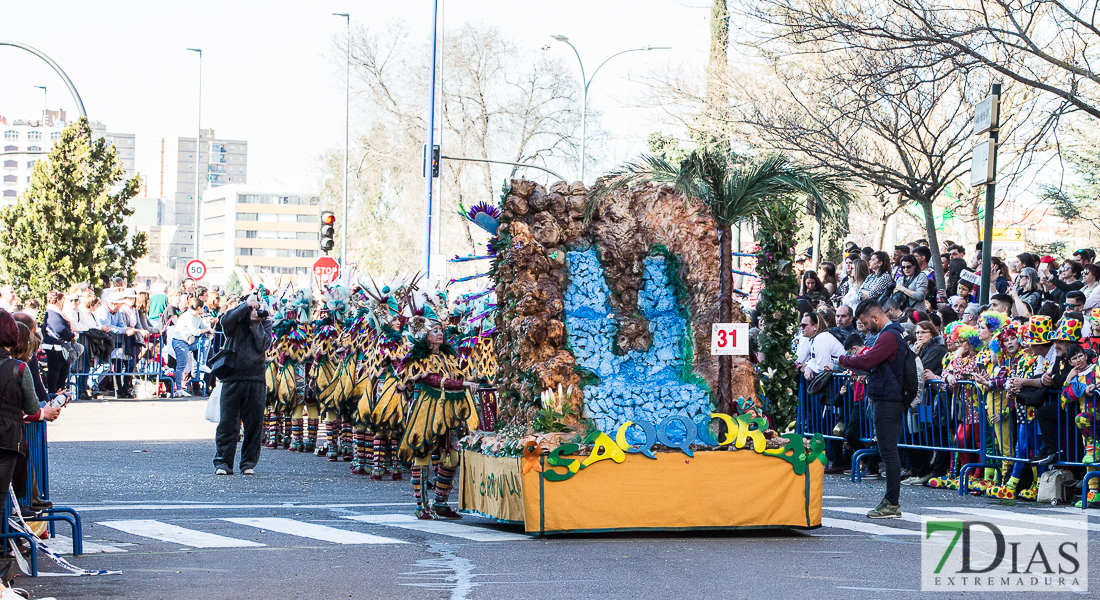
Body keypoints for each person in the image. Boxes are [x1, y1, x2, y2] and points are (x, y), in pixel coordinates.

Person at [398, 318, 482, 520]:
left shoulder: (448, 357)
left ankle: (440, 504)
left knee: (451, 457)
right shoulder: (419, 359)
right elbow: (433, 380)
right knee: (423, 455)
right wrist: (462, 385)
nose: (439, 333)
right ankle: (421, 506)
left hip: (449, 412)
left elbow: (457, 377)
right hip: (426, 412)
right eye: (434, 330)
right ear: (424, 336)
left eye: (440, 330)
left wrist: (470, 380)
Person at [837, 300, 909, 519]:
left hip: (888, 399)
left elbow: (868, 360)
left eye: (865, 322)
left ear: (876, 317)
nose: (864, 327)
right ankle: (891, 501)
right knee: (888, 451)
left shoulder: (888, 336)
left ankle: (891, 503)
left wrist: (843, 360)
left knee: (888, 451)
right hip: (889, 396)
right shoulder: (895, 333)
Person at [213, 294, 274, 476]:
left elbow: (263, 344)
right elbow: (225, 322)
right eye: (252, 306)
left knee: (254, 423)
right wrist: (245, 307)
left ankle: (248, 463)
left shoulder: (264, 322)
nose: (255, 310)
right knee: (228, 423)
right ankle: (223, 463)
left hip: (256, 378)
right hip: (232, 376)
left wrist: (256, 324)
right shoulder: (236, 318)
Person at [172, 298, 214, 397]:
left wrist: (208, 323)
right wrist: (208, 329)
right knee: (181, 365)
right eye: (203, 308)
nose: (204, 310)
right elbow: (195, 331)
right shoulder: (187, 316)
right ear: (198, 308)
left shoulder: (198, 317)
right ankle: (178, 389)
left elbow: (202, 326)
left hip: (190, 342)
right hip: (180, 341)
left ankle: (202, 363)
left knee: (206, 342)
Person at [41, 290, 75, 394]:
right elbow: (59, 328)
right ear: (58, 300)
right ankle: (54, 392)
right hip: (54, 346)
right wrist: (71, 335)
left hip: (56, 346)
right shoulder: (53, 313)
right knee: (55, 371)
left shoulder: (52, 312)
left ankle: (58, 390)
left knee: (60, 370)